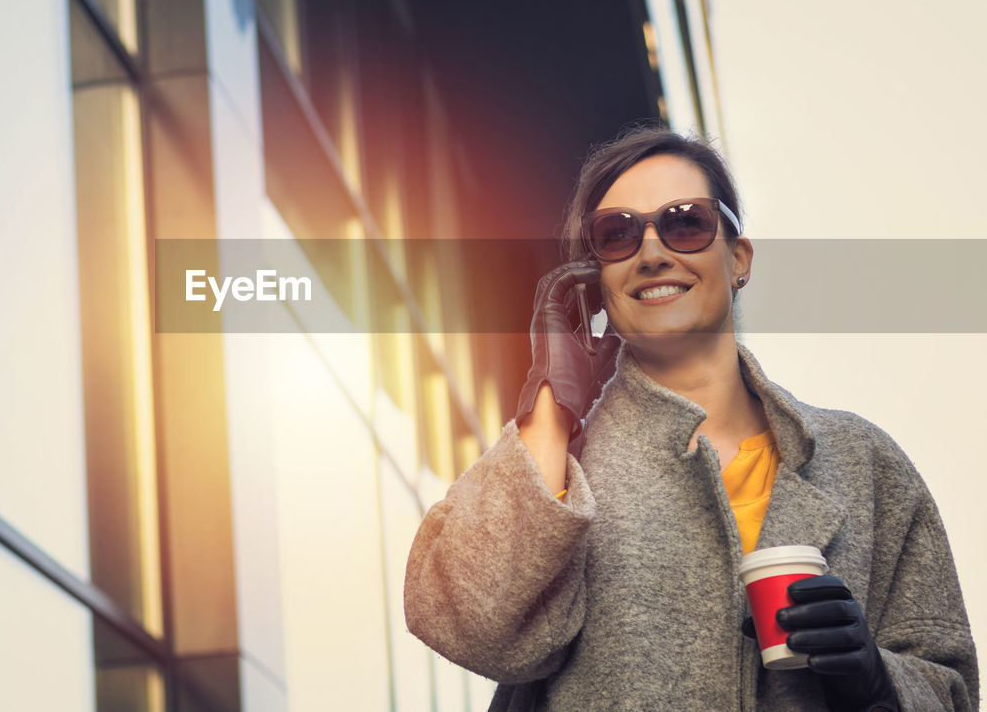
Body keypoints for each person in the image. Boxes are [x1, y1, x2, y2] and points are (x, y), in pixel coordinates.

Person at [404, 127, 978, 710]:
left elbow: (951, 688)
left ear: (738, 258)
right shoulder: (555, 471)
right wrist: (553, 400)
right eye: (617, 235)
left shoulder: (864, 463)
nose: (652, 253)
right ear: (596, 283)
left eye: (685, 222)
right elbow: (467, 625)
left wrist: (878, 680)